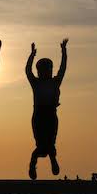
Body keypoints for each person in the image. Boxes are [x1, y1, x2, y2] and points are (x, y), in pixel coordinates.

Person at [25, 38, 68, 179]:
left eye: (47, 69)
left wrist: (63, 51)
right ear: (40, 71)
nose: (46, 72)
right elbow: (28, 71)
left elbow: (63, 68)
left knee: (48, 145)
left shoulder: (54, 82)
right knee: (42, 147)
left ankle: (49, 159)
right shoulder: (36, 83)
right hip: (40, 115)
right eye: (43, 70)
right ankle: (35, 163)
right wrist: (31, 55)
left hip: (48, 115)